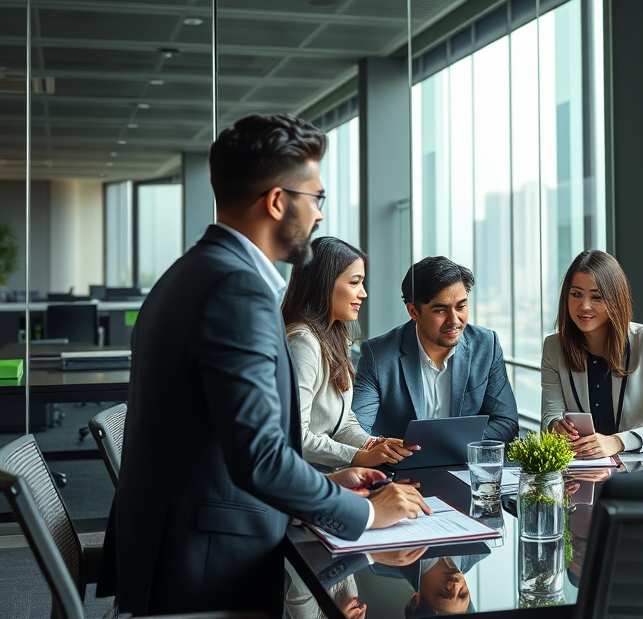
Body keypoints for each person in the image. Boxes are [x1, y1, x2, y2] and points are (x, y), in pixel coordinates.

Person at [98, 114, 430, 619]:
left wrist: (329, 484)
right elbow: (259, 457)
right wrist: (365, 512)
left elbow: (228, 438)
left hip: (177, 541)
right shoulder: (237, 292)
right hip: (208, 561)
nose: (319, 215)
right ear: (278, 202)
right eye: (315, 198)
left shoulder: (189, 273)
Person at [542, 250, 643, 458]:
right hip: (581, 472)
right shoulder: (554, 347)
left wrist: (618, 441)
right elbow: (550, 417)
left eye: (596, 297)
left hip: (638, 472)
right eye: (576, 294)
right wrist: (556, 427)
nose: (584, 306)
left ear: (615, 299)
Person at [352, 256, 519, 444]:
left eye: (461, 306)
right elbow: (357, 429)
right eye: (440, 310)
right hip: (402, 467)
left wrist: (454, 445)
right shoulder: (378, 355)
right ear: (414, 312)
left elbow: (506, 422)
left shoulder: (486, 345)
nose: (454, 320)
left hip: (465, 466)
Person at [282, 236, 413, 468]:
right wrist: (359, 456)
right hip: (305, 481)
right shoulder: (303, 343)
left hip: (328, 474)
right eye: (355, 282)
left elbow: (342, 423)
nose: (363, 293)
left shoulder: (334, 336)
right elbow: (294, 436)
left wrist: (375, 445)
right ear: (324, 283)